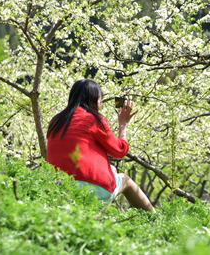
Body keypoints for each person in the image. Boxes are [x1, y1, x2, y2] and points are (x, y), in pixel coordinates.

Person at [46, 79, 154, 211]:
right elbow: (120, 151)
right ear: (94, 100)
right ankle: (156, 220)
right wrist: (123, 124)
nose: (101, 105)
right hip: (92, 185)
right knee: (125, 180)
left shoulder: (56, 121)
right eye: (101, 101)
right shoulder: (93, 119)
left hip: (59, 186)